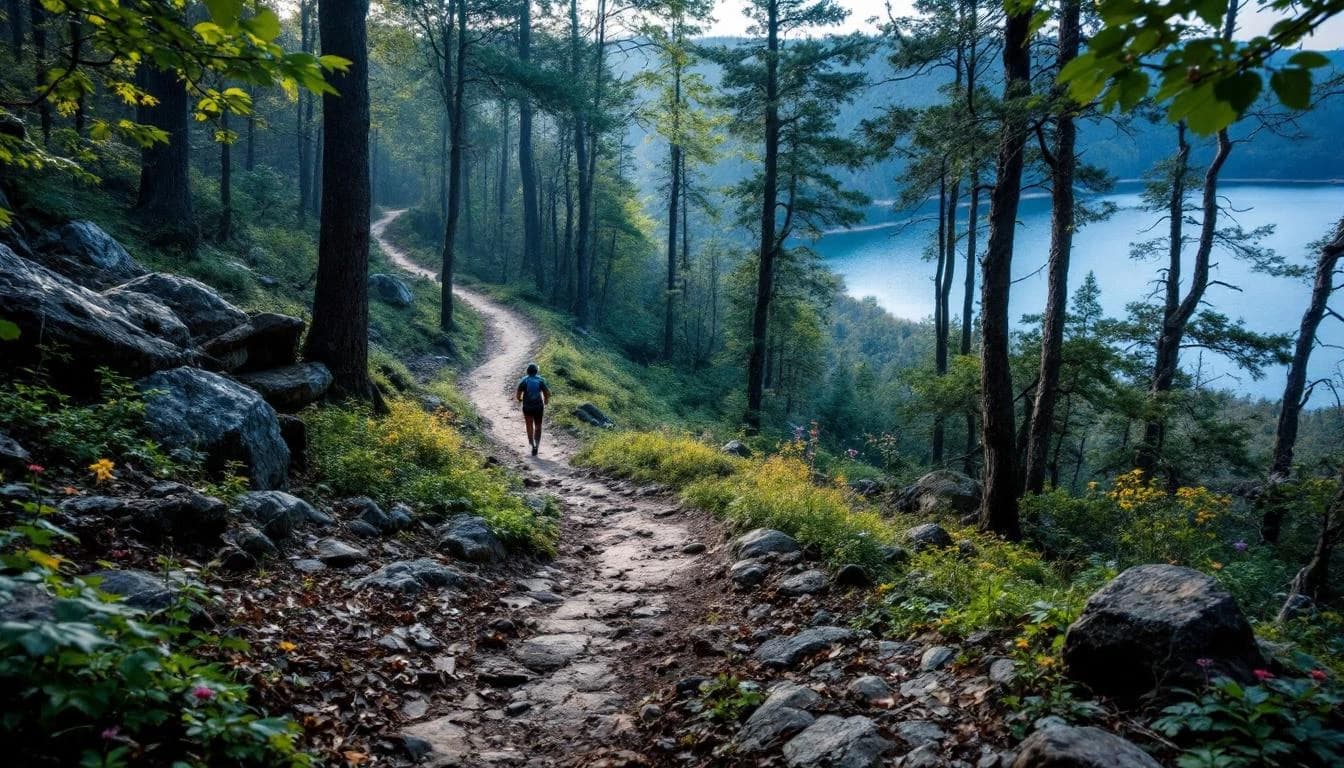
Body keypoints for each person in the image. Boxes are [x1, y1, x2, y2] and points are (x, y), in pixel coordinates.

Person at [515, 363, 551, 456]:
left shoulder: (524, 381)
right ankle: (537, 445)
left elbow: (518, 394)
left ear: (527, 372)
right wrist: (546, 400)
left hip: (527, 407)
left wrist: (520, 399)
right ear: (536, 372)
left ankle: (532, 444)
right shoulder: (540, 380)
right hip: (538, 407)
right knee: (538, 426)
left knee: (529, 425)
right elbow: (547, 393)